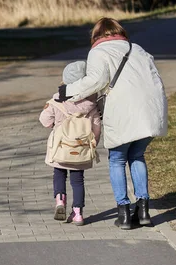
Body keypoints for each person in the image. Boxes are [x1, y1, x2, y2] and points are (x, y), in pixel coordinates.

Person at [58, 18, 168, 230]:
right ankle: (143, 210)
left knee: (117, 159)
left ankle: (124, 213)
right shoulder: (137, 49)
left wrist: (68, 91)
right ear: (120, 32)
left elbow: (96, 81)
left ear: (97, 35)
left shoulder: (99, 52)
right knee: (137, 155)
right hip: (151, 110)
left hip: (123, 112)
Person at [39, 61, 101, 227]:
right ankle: (78, 213)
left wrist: (56, 127)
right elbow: (96, 128)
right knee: (78, 180)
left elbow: (44, 120)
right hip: (80, 148)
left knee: (59, 173)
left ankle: (60, 200)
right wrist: (93, 143)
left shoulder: (57, 101)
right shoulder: (91, 105)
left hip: (60, 147)